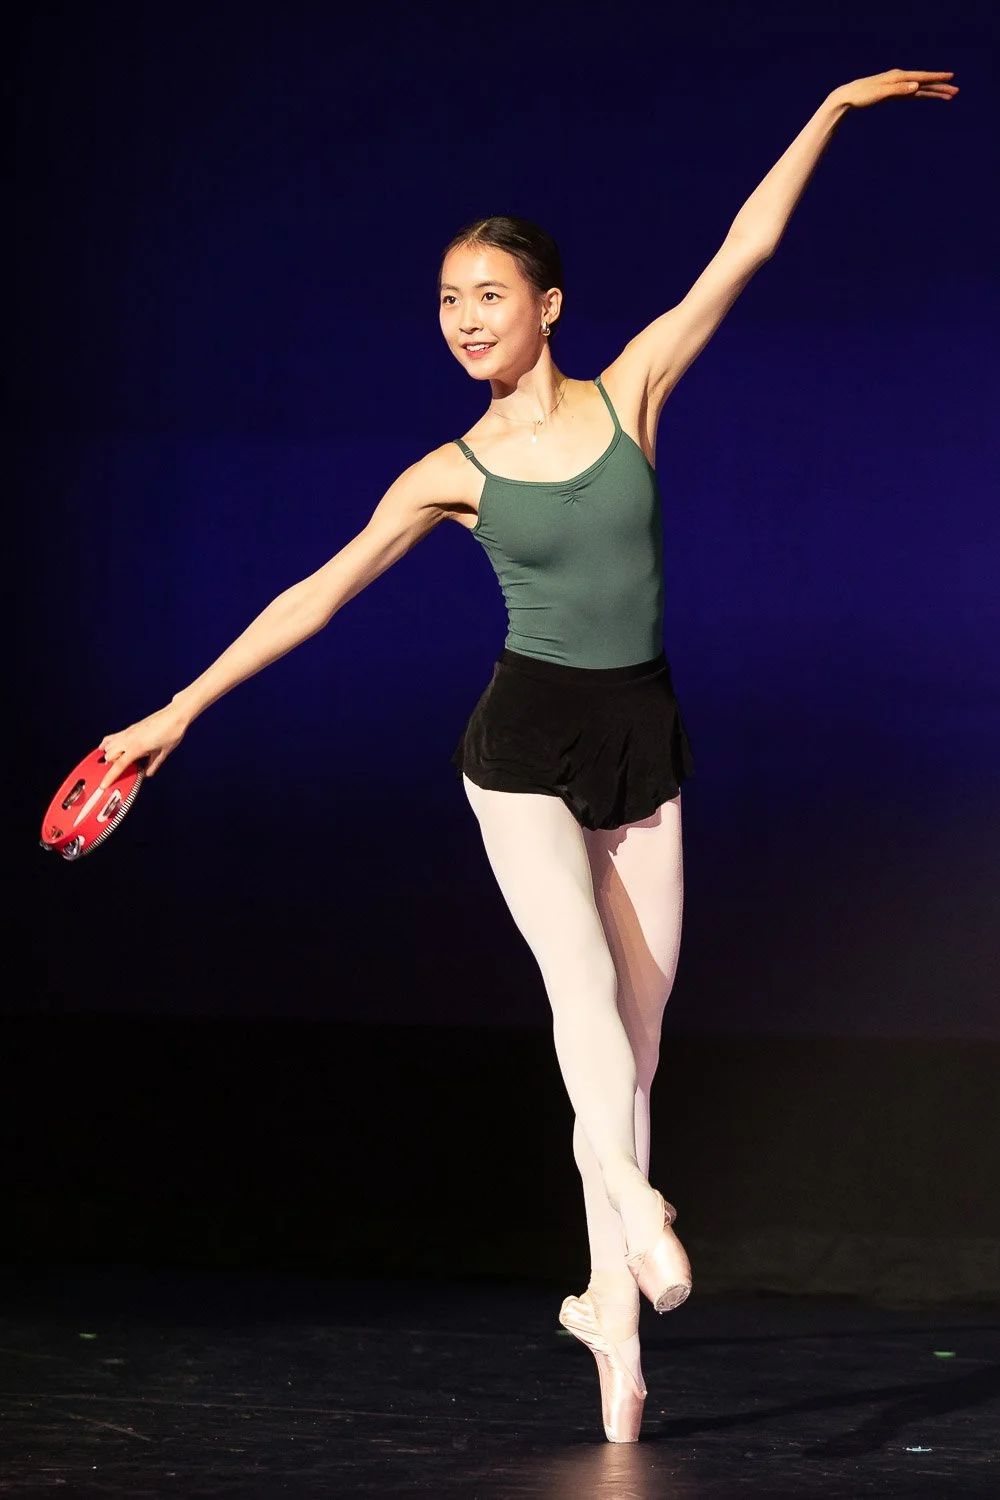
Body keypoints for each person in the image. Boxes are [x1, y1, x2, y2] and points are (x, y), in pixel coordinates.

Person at [98, 68, 957, 1443]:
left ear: (548, 305)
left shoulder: (634, 392)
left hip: (641, 733)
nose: (465, 320)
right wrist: (176, 712)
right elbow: (313, 595)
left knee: (639, 1042)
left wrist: (836, 111)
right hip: (519, 748)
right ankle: (635, 1212)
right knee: (581, 1001)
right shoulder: (449, 469)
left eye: (488, 295)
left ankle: (613, 1325)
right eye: (447, 302)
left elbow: (747, 246)